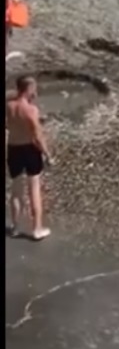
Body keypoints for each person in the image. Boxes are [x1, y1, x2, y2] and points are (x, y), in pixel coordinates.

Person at [6, 76, 53, 240]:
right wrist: (47, 154)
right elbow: (38, 136)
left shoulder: (9, 106)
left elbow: (10, 124)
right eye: (34, 88)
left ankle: (15, 227)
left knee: (16, 190)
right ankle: (37, 229)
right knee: (34, 188)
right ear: (29, 89)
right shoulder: (31, 110)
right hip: (30, 149)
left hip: (13, 149)